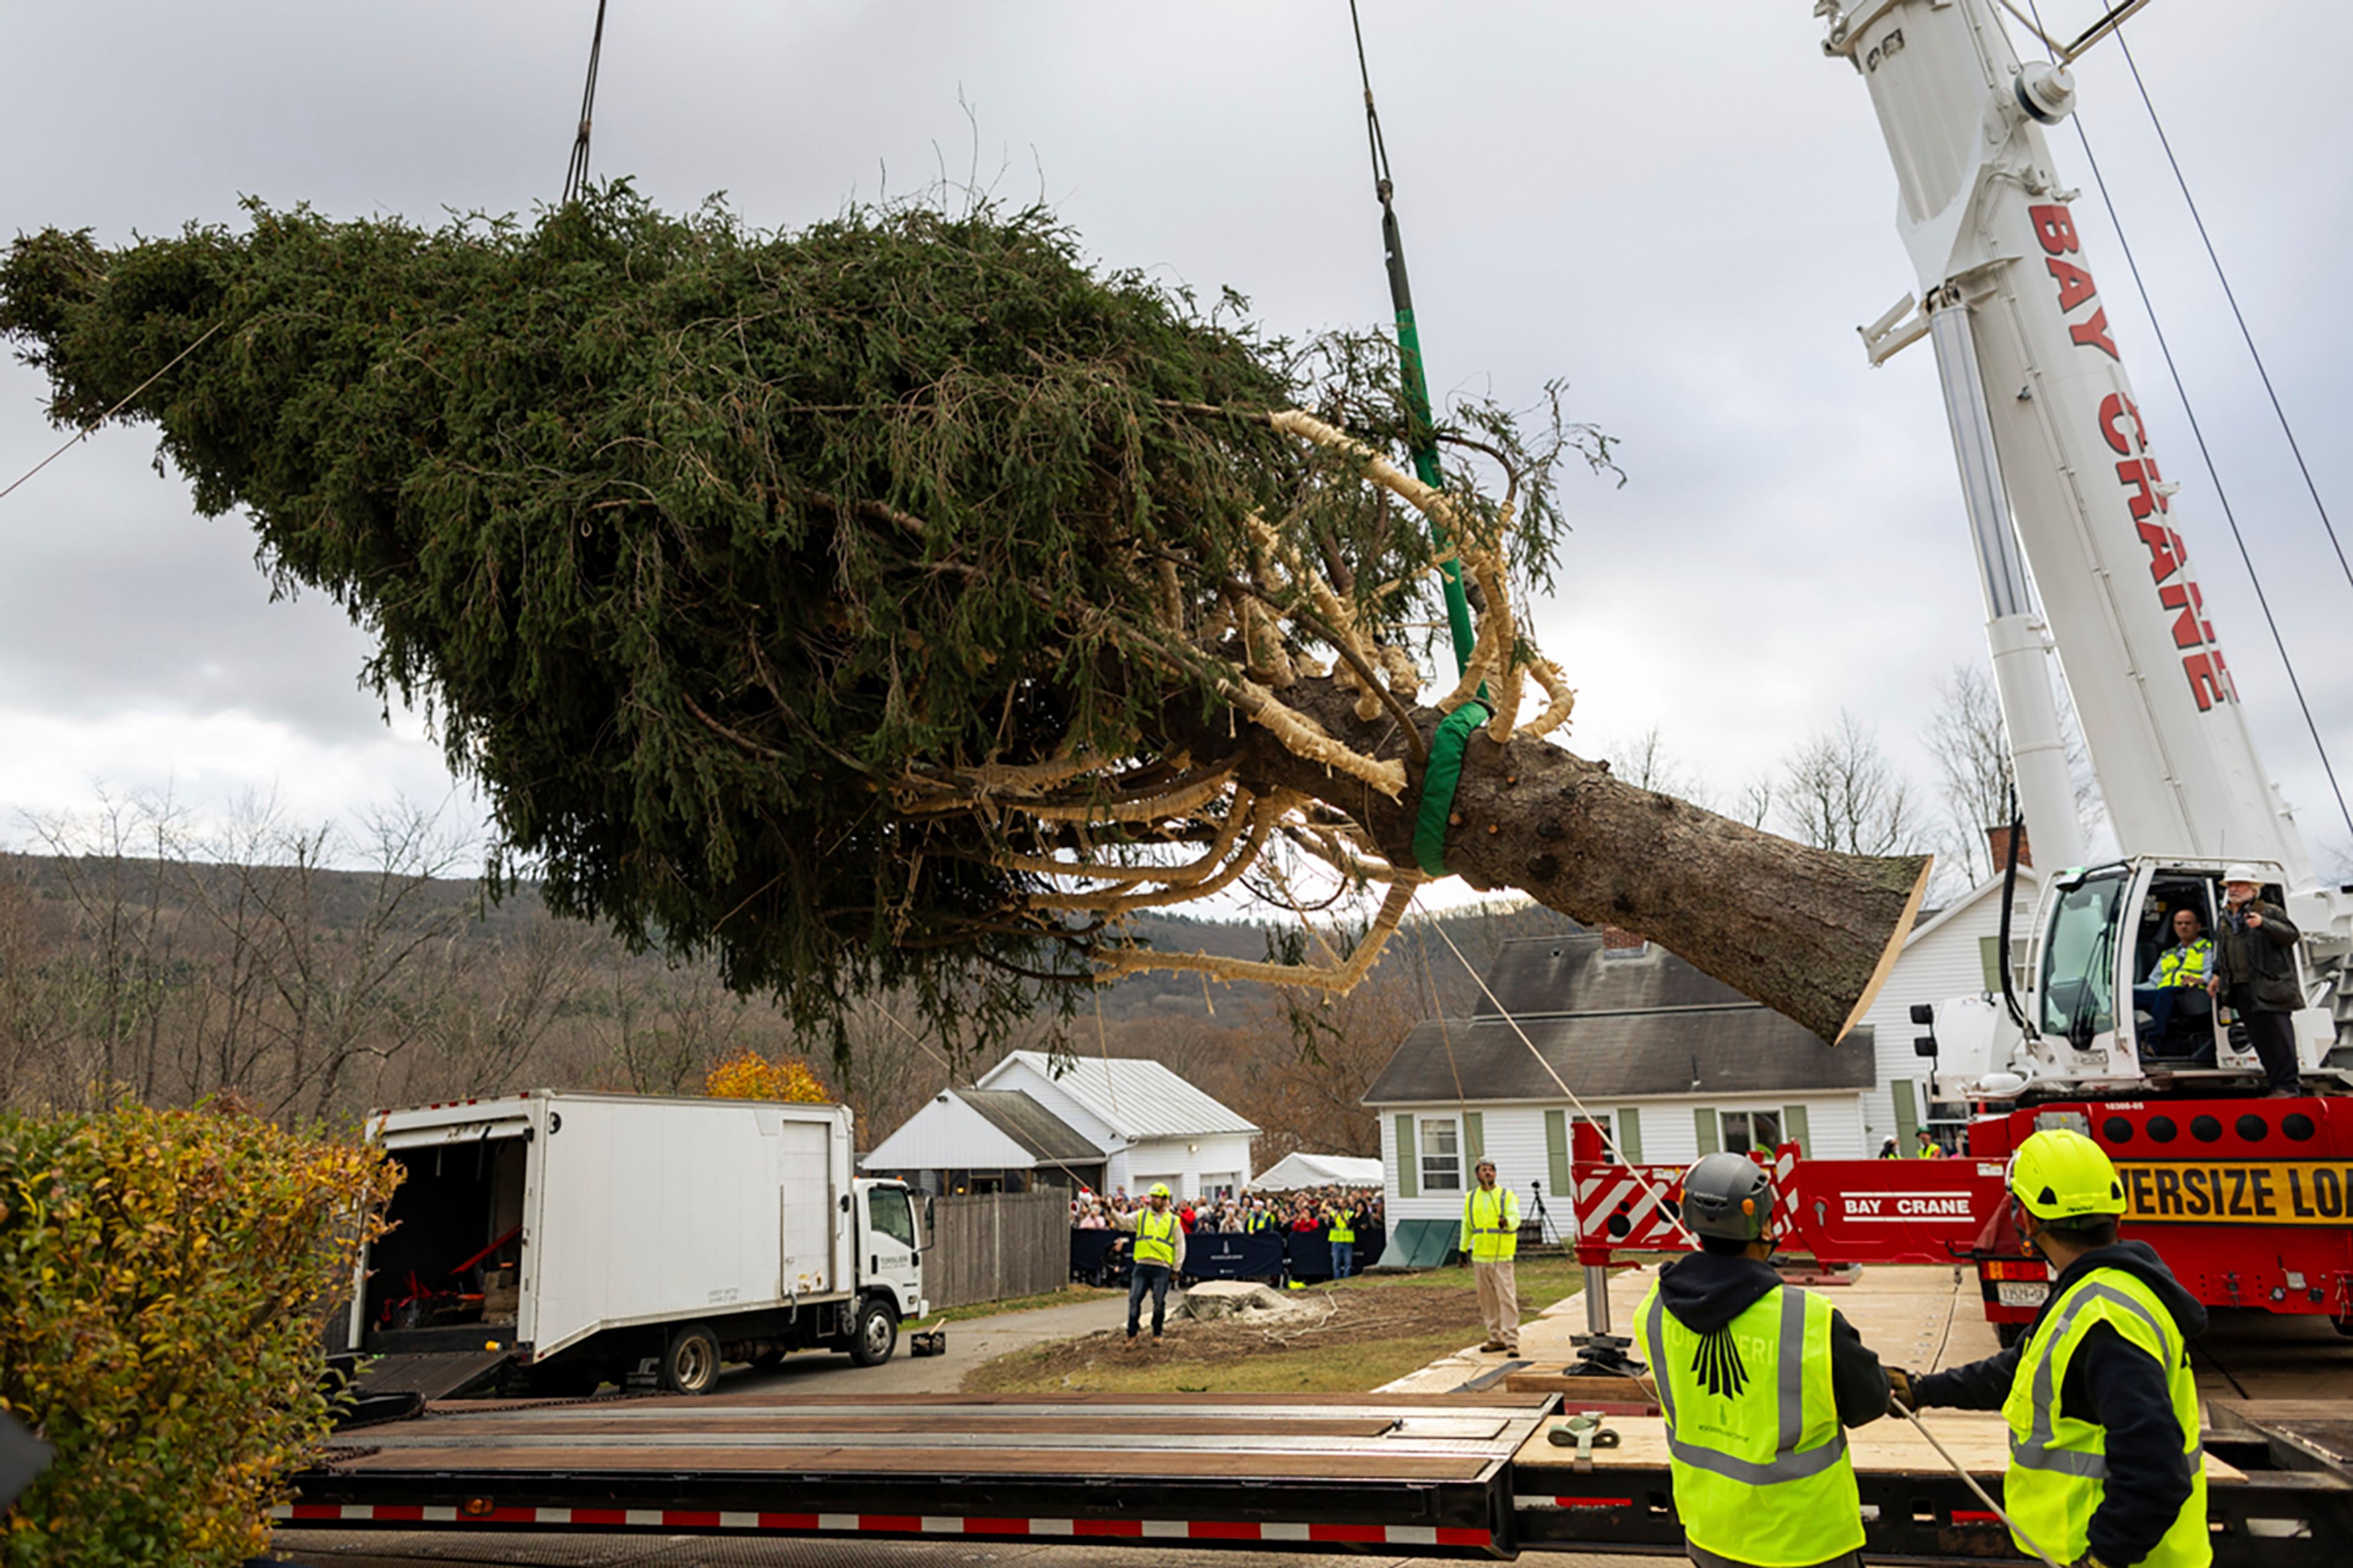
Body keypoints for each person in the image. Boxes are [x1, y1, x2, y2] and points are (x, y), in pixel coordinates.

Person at [1892, 1129, 2208, 1568]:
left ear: (2027, 1218)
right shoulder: (2099, 1290)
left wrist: (2102, 1557)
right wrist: (1924, 1389)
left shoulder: (2104, 1320)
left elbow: (2156, 1470)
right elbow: (2019, 1371)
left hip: (2121, 1558)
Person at [1631, 1152, 1888, 1568]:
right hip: (1806, 1543)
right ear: (1764, 1225)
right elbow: (1870, 1401)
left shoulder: (1654, 1312)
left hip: (1710, 1535)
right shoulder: (1810, 1319)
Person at [2207, 865, 2303, 1097]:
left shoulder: (2269, 911)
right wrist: (2218, 974)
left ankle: (2288, 1087)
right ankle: (2276, 1086)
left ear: (2253, 888)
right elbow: (2225, 949)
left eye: (2239, 884)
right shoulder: (2225, 918)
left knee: (2279, 1038)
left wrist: (2264, 924)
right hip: (2242, 988)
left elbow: (2292, 935)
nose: (2234, 889)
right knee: (2260, 1040)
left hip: (2270, 987)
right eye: (2231, 885)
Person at [1108, 1181, 1185, 1340]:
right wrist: (1111, 1210)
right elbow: (1123, 1223)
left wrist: (1176, 1269)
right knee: (1134, 1299)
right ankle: (1132, 1334)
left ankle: (1157, 1333)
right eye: (1152, 1197)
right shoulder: (1141, 1215)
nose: (1154, 1200)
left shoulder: (1173, 1221)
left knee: (1159, 1302)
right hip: (1142, 1265)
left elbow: (1180, 1246)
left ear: (1165, 1200)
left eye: (1157, 1197)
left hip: (1162, 1267)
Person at [2134, 907, 2215, 1055]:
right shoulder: (2168, 954)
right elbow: (2153, 982)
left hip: (2192, 995)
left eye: (2188, 923)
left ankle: (2153, 1043)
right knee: (2130, 996)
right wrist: (2127, 989)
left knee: (2165, 994)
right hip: (2164, 995)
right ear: (2174, 927)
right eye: (2179, 923)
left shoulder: (2207, 949)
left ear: (2198, 926)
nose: (2183, 927)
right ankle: (2133, 1041)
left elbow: (2214, 972)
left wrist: (2201, 979)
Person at [1461, 1158, 1521, 1354]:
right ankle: (1495, 1337)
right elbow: (1467, 1226)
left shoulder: (1506, 1195)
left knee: (1506, 1298)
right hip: (1480, 1256)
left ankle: (1511, 1339)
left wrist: (1508, 1223)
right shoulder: (1471, 1198)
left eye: (1490, 1170)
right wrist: (1463, 1250)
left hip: (1502, 1256)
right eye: (1483, 1170)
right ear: (1477, 1175)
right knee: (1487, 1301)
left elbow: (1516, 1218)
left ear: (1495, 1174)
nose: (1487, 1173)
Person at [1328, 1198, 1358, 1281]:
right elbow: (1331, 1225)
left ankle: (1346, 1279)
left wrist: (1344, 1219)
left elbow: (1351, 1225)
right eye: (1339, 1203)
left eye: (1342, 1203)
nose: (1341, 1205)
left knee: (1348, 1264)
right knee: (1336, 1264)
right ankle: (1337, 1279)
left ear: (1346, 1204)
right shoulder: (1333, 1213)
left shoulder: (1351, 1214)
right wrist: (1335, 1217)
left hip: (1347, 1241)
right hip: (1336, 1241)